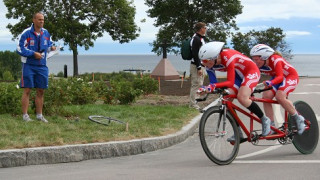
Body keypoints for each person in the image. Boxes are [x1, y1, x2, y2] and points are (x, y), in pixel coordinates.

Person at [198, 42, 272, 141]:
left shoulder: (228, 58)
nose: (204, 64)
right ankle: (238, 133)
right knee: (227, 100)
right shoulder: (209, 64)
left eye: (206, 60)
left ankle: (264, 120)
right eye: (202, 61)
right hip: (237, 76)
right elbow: (213, 83)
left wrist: (211, 87)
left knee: (242, 97)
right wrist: (207, 89)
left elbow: (230, 82)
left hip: (250, 72)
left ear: (214, 57)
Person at [250, 44, 306, 135]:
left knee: (280, 96)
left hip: (290, 77)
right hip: (277, 78)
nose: (254, 61)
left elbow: (280, 77)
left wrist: (270, 83)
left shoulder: (276, 59)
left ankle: (298, 118)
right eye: (253, 59)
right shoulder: (260, 64)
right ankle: (271, 126)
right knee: (266, 97)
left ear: (264, 57)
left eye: (256, 59)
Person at [16, 12, 56, 122]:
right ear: (34, 20)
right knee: (27, 90)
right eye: (39, 19)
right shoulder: (27, 33)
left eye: (43, 19)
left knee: (41, 91)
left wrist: (52, 47)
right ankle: (25, 116)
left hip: (42, 65)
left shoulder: (46, 33)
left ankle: (39, 115)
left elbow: (48, 44)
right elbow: (19, 49)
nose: (42, 21)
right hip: (28, 65)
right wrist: (33, 54)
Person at [189, 22, 217, 111]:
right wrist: (198, 67)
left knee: (199, 84)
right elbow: (195, 54)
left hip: (201, 65)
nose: (206, 29)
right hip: (196, 65)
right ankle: (193, 105)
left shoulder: (201, 39)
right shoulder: (196, 39)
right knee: (196, 84)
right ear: (201, 29)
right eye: (205, 27)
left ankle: (195, 103)